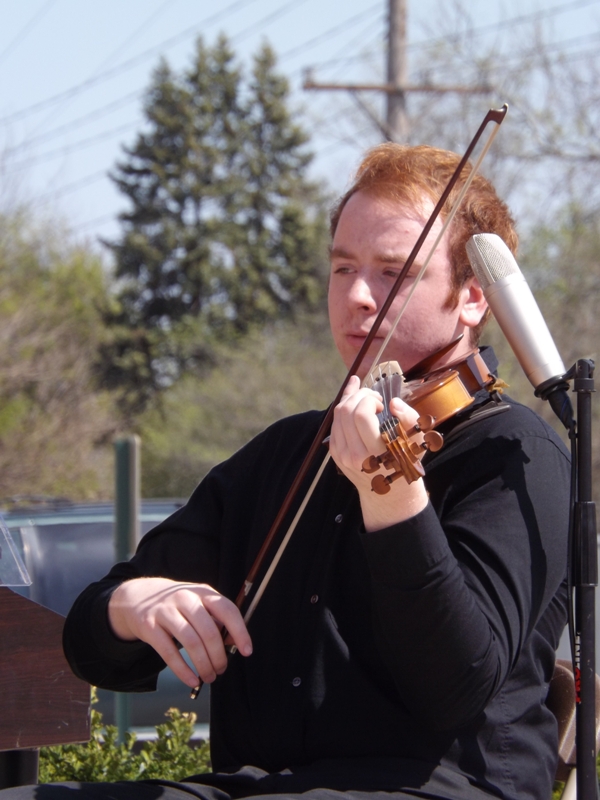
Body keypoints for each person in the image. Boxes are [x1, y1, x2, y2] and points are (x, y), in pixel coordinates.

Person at [3, 144, 570, 800]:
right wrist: (129, 608)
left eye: (394, 272)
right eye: (342, 267)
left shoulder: (515, 457)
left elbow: (456, 685)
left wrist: (389, 493)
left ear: (471, 298)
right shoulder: (286, 453)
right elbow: (88, 643)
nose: (357, 296)